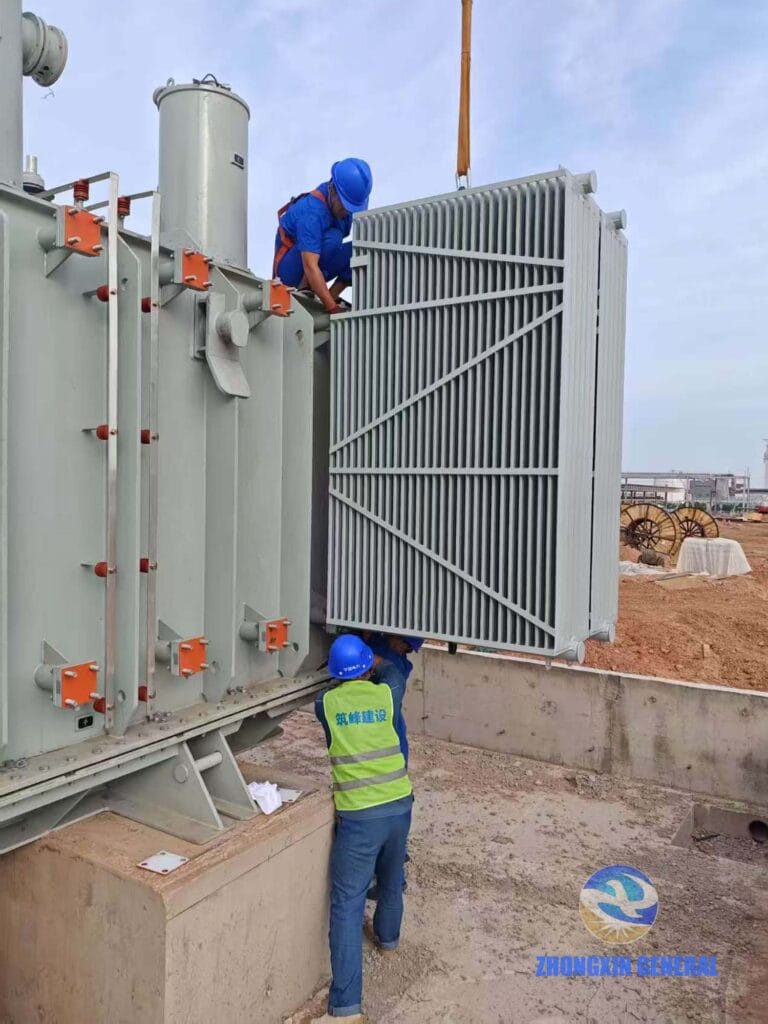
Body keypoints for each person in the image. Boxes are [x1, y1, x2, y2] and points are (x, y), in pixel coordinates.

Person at [312, 633, 413, 1023]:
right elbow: (392, 672)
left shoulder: (326, 704)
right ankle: (388, 940)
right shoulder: (387, 696)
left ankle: (346, 1006)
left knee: (347, 904)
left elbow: (330, 690)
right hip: (400, 806)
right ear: (367, 665)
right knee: (391, 878)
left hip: (360, 818)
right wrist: (376, 656)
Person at [273, 158, 373, 314]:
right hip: (291, 271)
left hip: (317, 259)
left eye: (350, 207)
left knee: (358, 250)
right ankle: (306, 288)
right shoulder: (311, 213)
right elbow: (310, 265)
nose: (346, 212)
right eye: (344, 205)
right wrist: (332, 309)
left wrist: (329, 301)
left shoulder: (346, 211)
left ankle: (329, 296)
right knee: (333, 238)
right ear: (332, 190)